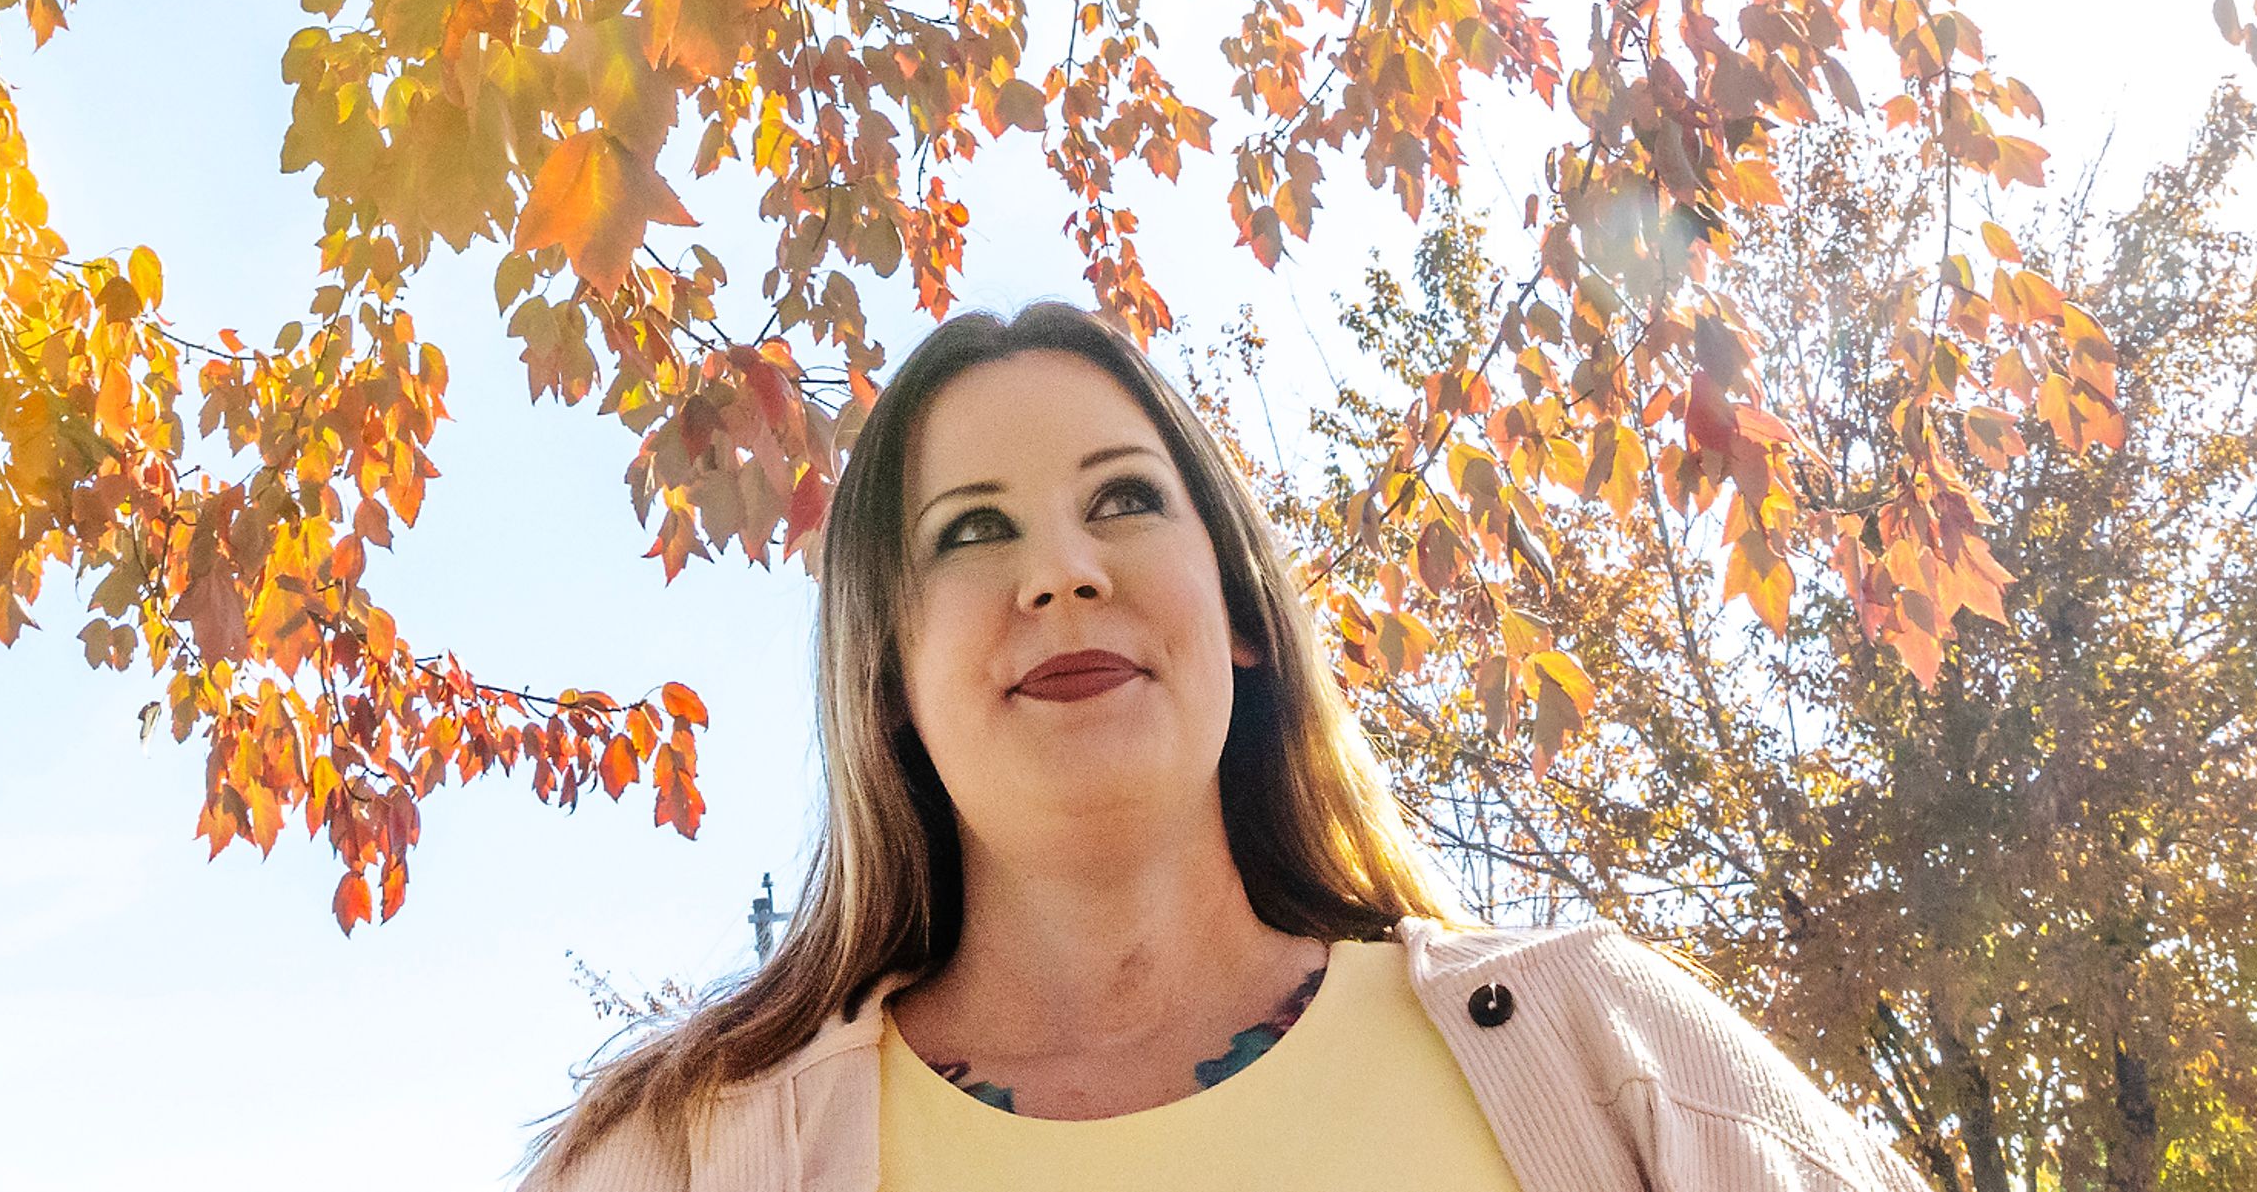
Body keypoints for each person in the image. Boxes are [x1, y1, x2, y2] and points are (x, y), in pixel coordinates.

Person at [526, 300, 1929, 1192]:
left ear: (1243, 615)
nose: (1063, 572)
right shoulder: (685, 1157)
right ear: (884, 669)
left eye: (1124, 499)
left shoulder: (1595, 1046)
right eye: (972, 529)